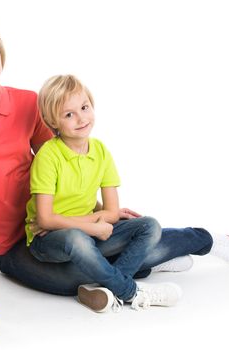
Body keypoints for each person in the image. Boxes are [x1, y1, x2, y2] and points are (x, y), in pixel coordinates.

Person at [0, 19, 229, 298]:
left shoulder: (28, 103)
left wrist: (102, 212)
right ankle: (151, 263)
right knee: (71, 282)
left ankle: (203, 239)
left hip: (49, 224)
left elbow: (64, 160)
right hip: (7, 245)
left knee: (102, 253)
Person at [30, 74, 181, 312]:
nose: (80, 118)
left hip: (91, 232)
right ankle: (130, 291)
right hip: (49, 240)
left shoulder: (100, 151)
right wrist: (93, 226)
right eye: (69, 114)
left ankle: (103, 289)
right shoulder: (48, 156)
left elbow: (112, 212)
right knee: (76, 238)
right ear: (52, 121)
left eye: (84, 108)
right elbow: (45, 220)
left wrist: (94, 224)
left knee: (149, 225)